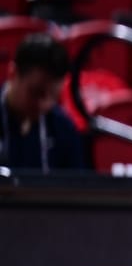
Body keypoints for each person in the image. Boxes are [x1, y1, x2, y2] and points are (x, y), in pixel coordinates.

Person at [0, 34, 84, 171]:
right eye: (36, 93)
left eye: (54, 96)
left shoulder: (64, 128)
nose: (44, 104)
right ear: (13, 73)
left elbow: (77, 189)